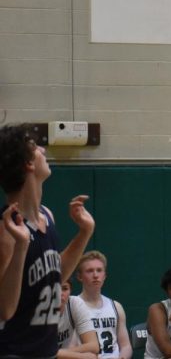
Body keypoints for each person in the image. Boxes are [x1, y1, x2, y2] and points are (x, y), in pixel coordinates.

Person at [0, 124, 95, 358]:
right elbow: (4, 309)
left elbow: (54, 276)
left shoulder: (47, 215)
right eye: (35, 147)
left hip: (46, 351)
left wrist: (84, 233)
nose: (43, 149)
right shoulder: (6, 230)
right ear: (28, 164)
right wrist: (21, 246)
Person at [76, 251, 132, 359]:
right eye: (90, 271)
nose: (95, 275)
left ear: (105, 275)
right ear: (79, 276)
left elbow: (125, 346)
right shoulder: (73, 306)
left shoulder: (116, 307)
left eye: (99, 270)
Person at [58, 278, 101, 359]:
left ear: (70, 291)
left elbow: (94, 346)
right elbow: (41, 353)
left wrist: (62, 354)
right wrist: (81, 356)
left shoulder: (74, 303)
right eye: (55, 288)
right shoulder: (36, 310)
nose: (60, 293)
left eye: (65, 289)